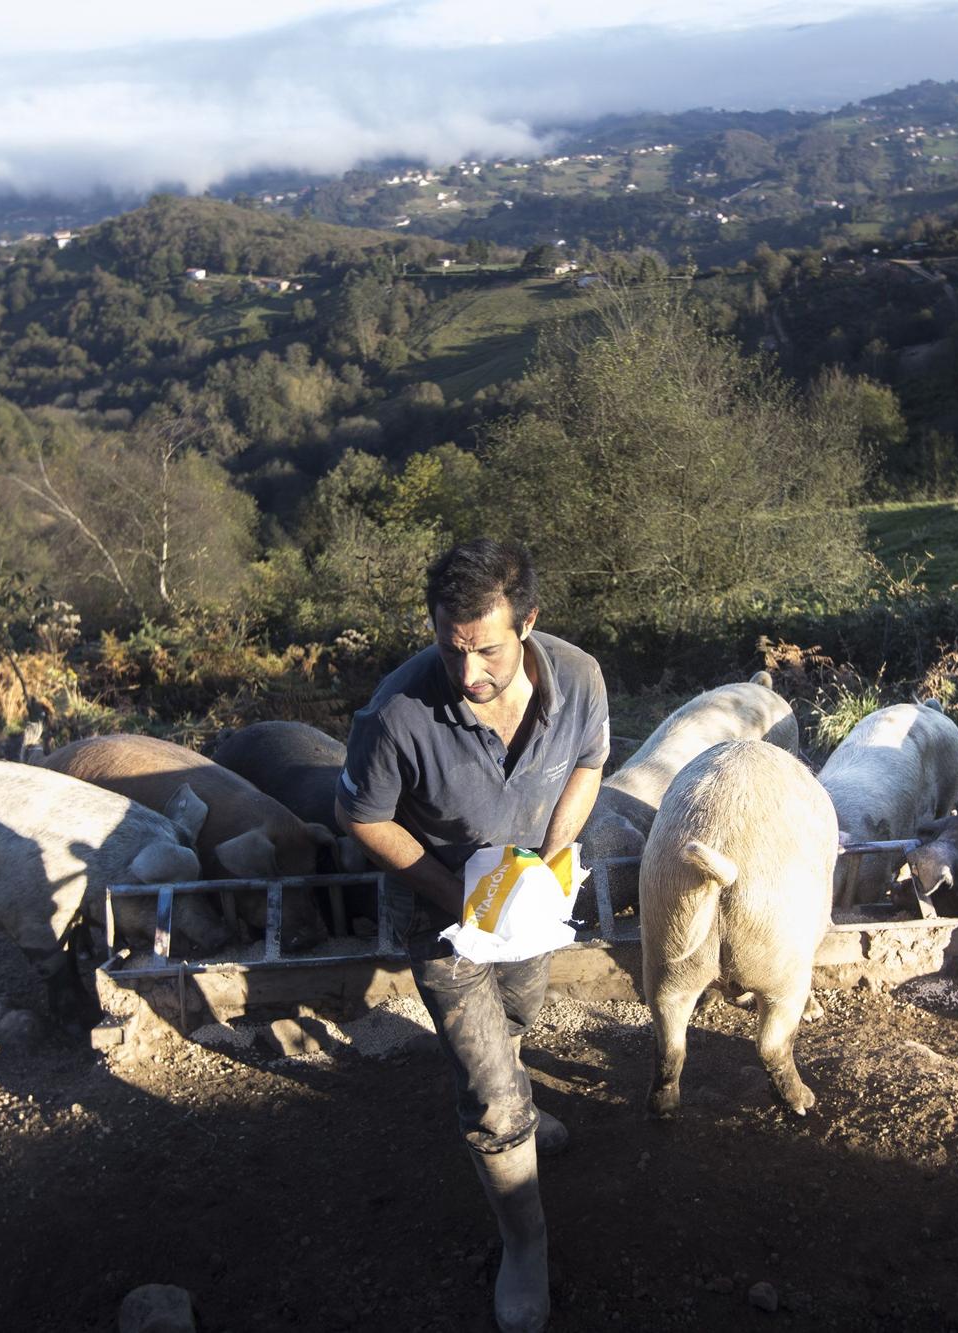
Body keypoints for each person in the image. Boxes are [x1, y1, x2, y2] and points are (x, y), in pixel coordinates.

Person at [337, 539, 607, 1333]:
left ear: (529, 622)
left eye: (487, 648)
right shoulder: (396, 713)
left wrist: (552, 856)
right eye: (450, 649)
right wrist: (459, 894)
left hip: (529, 904)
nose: (468, 673)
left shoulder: (580, 678)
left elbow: (590, 761)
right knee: (488, 1092)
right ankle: (526, 1239)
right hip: (445, 916)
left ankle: (515, 1092)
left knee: (518, 1018)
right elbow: (362, 816)